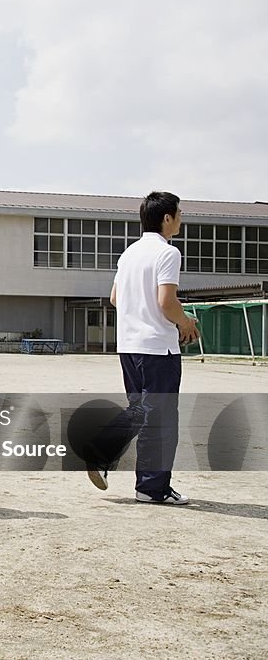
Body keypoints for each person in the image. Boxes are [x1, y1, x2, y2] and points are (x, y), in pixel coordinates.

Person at [87, 191, 198, 504]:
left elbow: (115, 298)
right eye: (179, 213)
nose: (181, 218)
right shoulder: (168, 253)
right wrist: (185, 322)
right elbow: (167, 302)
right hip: (158, 348)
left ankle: (115, 460)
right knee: (160, 420)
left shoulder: (129, 254)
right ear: (167, 218)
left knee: (142, 410)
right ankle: (149, 486)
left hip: (129, 346)